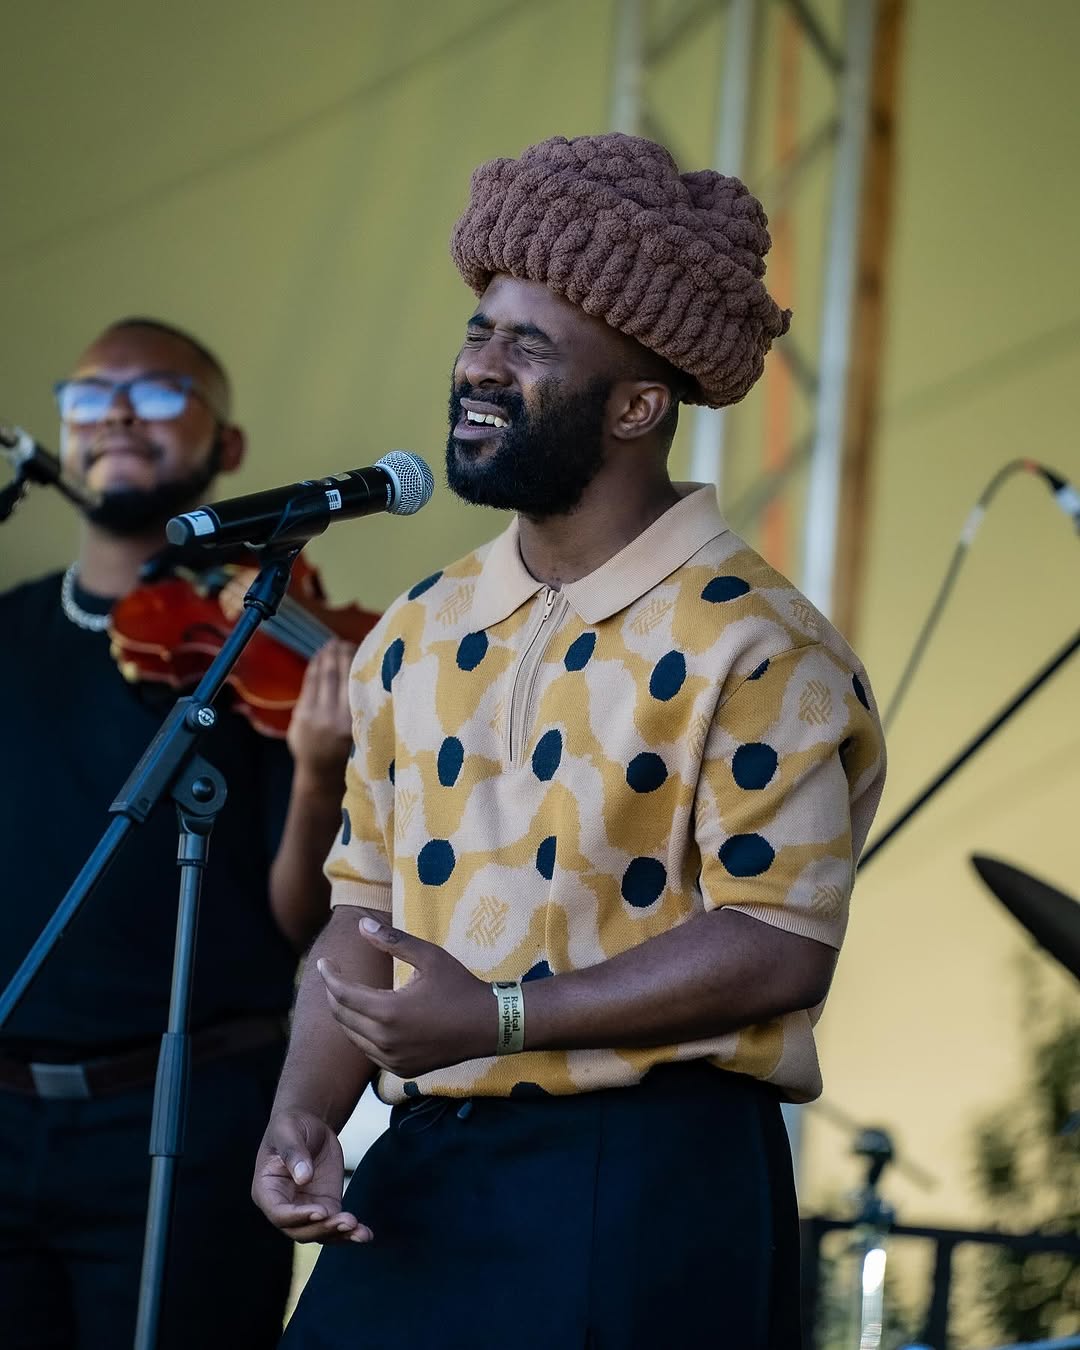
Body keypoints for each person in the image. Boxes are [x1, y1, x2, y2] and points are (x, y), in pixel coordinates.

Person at [254, 133, 887, 1349]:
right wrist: (307, 1114)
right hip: (428, 1161)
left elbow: (779, 941)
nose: (478, 367)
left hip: (646, 1170)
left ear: (639, 406)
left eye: (529, 346)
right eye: (479, 330)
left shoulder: (756, 643)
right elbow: (363, 909)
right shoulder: (417, 630)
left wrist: (500, 1016)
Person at [0, 317, 376, 1349]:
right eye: (90, 397)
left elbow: (298, 919)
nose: (119, 413)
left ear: (228, 444)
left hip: (188, 1116)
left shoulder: (262, 642)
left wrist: (319, 772)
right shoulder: (9, 632)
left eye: (160, 393)